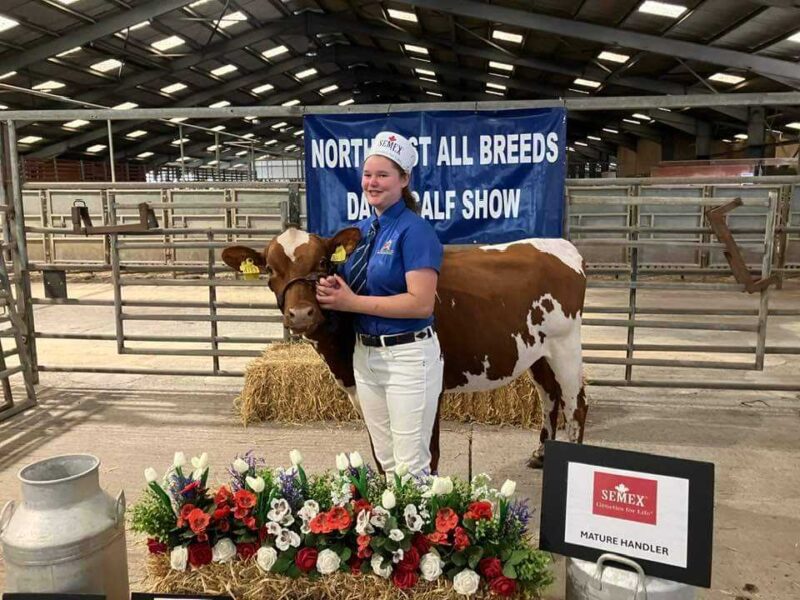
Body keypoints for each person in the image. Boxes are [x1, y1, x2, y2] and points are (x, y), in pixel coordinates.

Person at [315, 131, 444, 476]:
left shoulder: (415, 231)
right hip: (366, 357)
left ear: (404, 180)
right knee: (387, 464)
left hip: (407, 357)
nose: (372, 182)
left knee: (411, 468)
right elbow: (350, 286)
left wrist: (351, 301)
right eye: (368, 174)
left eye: (383, 175)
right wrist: (332, 287)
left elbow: (421, 305)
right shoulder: (361, 231)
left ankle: (423, 529)